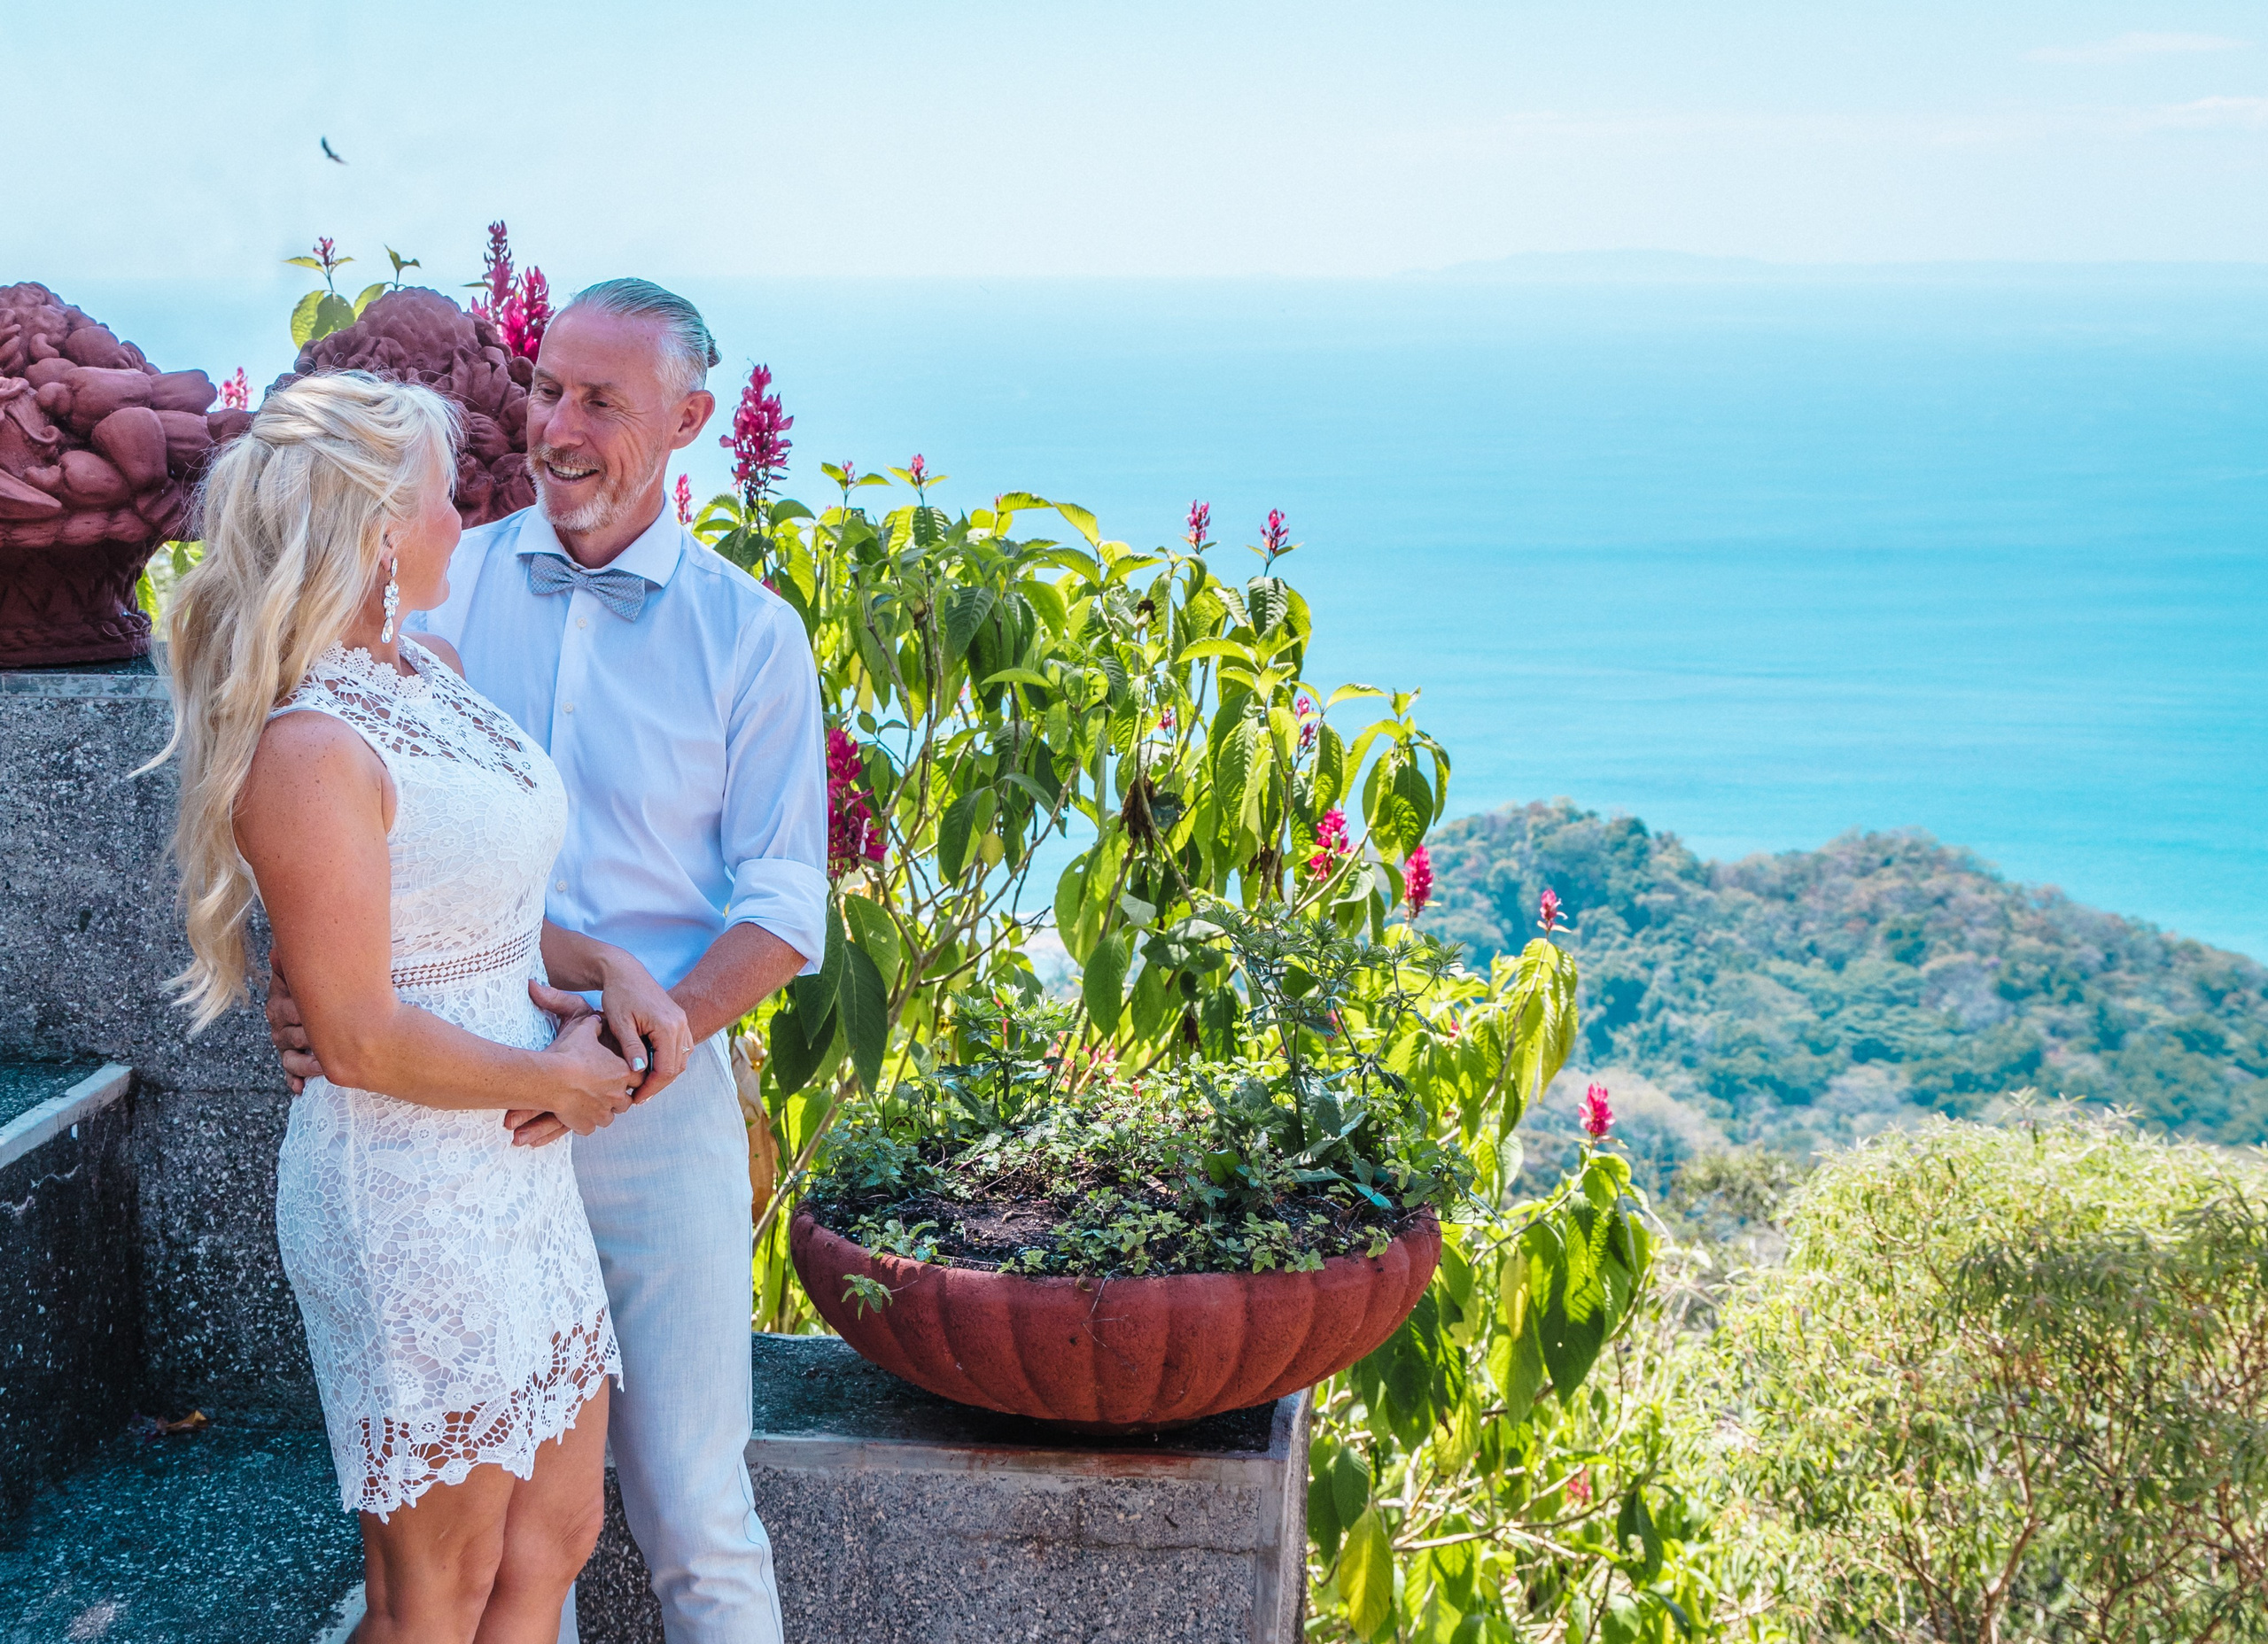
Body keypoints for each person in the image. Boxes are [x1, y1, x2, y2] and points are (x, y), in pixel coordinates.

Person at [266, 278, 828, 1643]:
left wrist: (641, 1043)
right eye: (546, 390)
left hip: (652, 1110)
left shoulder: (752, 634)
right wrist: (319, 997)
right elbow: (320, 801)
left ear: (694, 422)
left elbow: (783, 907)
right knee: (507, 1540)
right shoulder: (428, 594)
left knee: (687, 1505)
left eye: (601, 402)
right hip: (443, 1121)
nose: (554, 428)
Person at [163, 370, 663, 1641]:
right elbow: (358, 1033)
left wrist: (604, 969)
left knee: (553, 1539)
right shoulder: (308, 749)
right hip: (406, 1199)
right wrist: (556, 1080)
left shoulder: (425, 672)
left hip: (512, 1173)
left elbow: (483, 888)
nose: (467, 513)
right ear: (382, 525)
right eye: (446, 493)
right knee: (435, 1586)